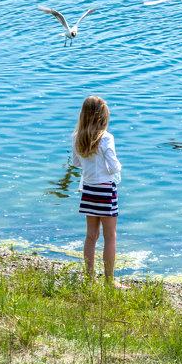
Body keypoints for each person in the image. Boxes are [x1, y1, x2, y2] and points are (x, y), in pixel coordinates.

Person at [70, 95, 124, 285]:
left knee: (91, 236)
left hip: (88, 191)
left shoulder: (77, 137)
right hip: (105, 191)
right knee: (110, 235)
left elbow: (76, 163)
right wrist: (119, 165)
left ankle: (89, 277)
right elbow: (113, 167)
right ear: (103, 116)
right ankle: (109, 281)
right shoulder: (107, 138)